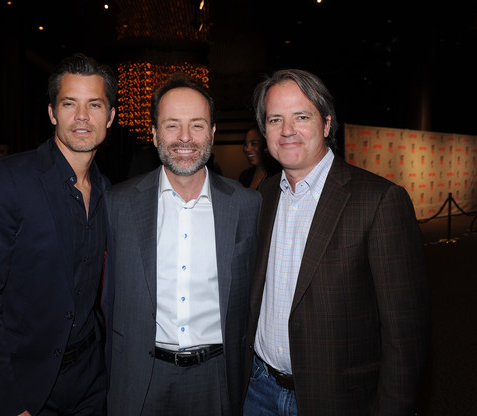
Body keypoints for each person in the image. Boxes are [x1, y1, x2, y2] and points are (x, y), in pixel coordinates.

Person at [243, 69, 430, 415]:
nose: (287, 130)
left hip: (337, 400)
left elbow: (405, 336)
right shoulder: (264, 194)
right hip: (257, 390)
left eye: (301, 117)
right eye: (275, 119)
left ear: (327, 124)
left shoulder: (379, 201)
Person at [0, 53, 117, 416]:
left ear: (109, 117)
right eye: (69, 103)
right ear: (52, 113)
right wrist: (8, 404)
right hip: (23, 385)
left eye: (94, 104)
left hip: (91, 381)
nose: (82, 116)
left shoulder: (109, 192)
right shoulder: (7, 179)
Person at [106, 74, 262, 416]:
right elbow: (103, 300)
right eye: (172, 125)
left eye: (197, 125)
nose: (185, 138)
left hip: (218, 379)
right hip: (139, 377)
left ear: (213, 133)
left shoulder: (247, 205)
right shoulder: (117, 204)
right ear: (154, 134)